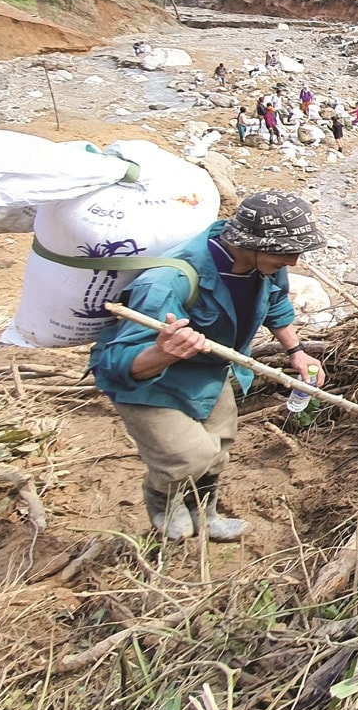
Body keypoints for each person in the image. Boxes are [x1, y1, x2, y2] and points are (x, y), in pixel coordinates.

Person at [90, 191, 328, 542]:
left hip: (208, 372)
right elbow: (117, 364)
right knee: (187, 456)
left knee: (218, 447)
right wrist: (166, 353)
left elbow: (276, 303)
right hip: (150, 384)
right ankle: (162, 498)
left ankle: (206, 513)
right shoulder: (168, 282)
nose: (293, 261)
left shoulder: (264, 268)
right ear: (251, 243)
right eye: (284, 252)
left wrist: (297, 350)